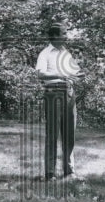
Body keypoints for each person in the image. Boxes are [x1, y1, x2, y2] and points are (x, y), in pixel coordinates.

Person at [34, 23, 83, 180]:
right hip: (53, 94)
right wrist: (60, 75)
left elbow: (76, 71)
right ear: (54, 36)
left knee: (69, 134)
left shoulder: (66, 53)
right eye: (63, 33)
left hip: (69, 94)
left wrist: (80, 75)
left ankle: (69, 171)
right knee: (52, 134)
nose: (66, 36)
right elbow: (40, 74)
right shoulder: (45, 53)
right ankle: (50, 173)